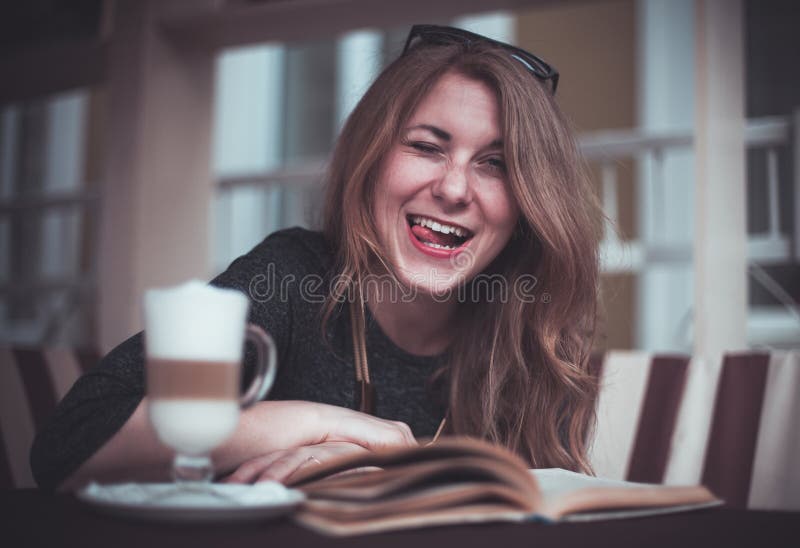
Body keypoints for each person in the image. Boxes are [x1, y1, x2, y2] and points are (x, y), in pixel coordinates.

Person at [30, 24, 602, 491]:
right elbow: (70, 442)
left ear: (529, 202)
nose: (454, 189)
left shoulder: (532, 324)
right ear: (370, 159)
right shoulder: (290, 277)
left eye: (495, 164)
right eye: (426, 147)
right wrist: (328, 426)